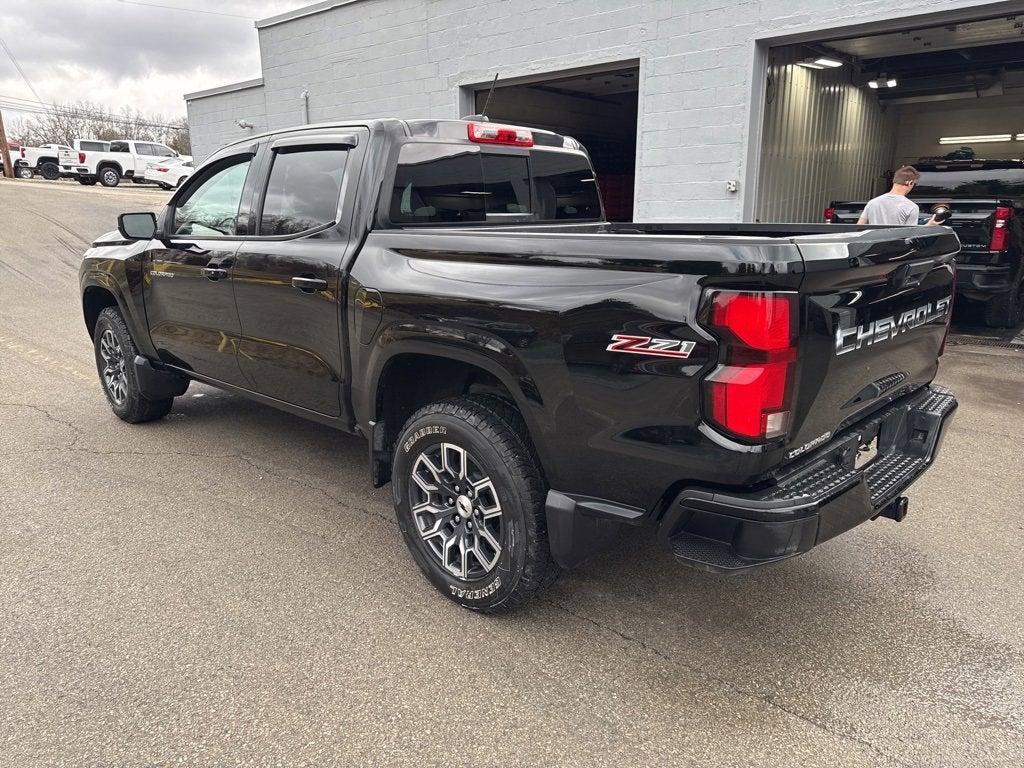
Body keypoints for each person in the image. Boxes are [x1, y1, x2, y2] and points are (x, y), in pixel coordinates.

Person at [857, 166, 940, 226]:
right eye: (914, 184)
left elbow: (859, 227)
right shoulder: (911, 207)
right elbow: (910, 235)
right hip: (895, 248)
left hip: (873, 249)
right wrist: (929, 225)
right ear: (909, 182)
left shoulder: (872, 203)